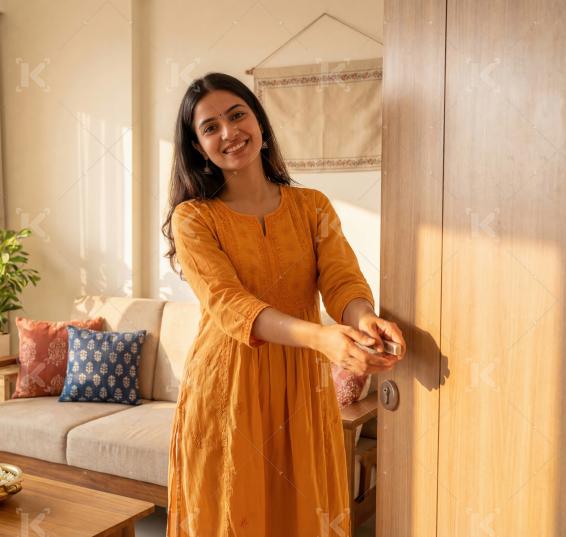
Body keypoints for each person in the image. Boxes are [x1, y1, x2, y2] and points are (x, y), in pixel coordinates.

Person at [161, 72, 407, 537]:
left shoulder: (311, 206)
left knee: (304, 514)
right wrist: (321, 338)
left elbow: (341, 280)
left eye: (237, 115)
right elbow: (228, 304)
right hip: (227, 388)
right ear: (197, 146)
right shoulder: (192, 218)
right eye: (210, 127)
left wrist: (364, 318)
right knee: (234, 513)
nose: (229, 132)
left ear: (259, 122)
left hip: (302, 390)